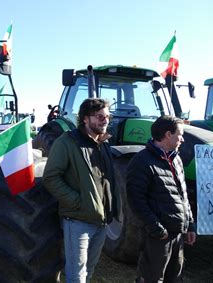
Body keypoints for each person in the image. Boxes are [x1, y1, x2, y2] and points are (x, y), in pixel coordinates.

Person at [42, 98, 119, 282]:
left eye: (107, 116)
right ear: (85, 118)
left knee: (88, 271)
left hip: (101, 221)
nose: (105, 120)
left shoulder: (103, 144)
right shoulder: (67, 142)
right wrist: (78, 202)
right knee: (76, 275)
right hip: (78, 221)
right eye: (100, 116)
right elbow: (51, 177)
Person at [126, 115, 196, 282]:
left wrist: (190, 224)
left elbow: (182, 195)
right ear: (168, 134)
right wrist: (157, 229)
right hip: (157, 237)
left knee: (174, 278)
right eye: (180, 134)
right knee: (152, 278)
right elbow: (136, 201)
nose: (183, 139)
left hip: (177, 233)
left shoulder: (176, 159)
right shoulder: (141, 162)